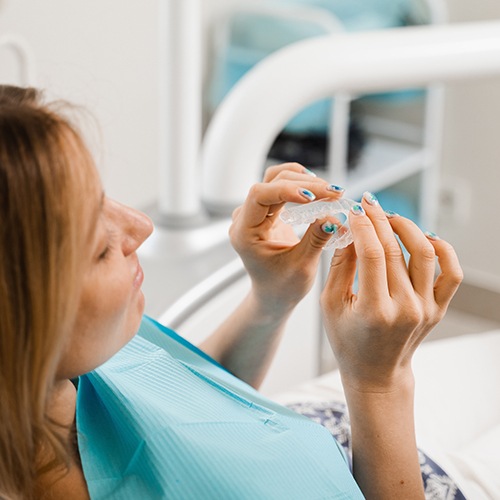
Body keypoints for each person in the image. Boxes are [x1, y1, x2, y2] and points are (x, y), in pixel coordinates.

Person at [0, 84, 464, 500]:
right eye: (100, 248)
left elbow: (184, 401)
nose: (141, 227)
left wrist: (271, 298)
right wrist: (381, 382)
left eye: (102, 197)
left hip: (333, 434)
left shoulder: (71, 365)